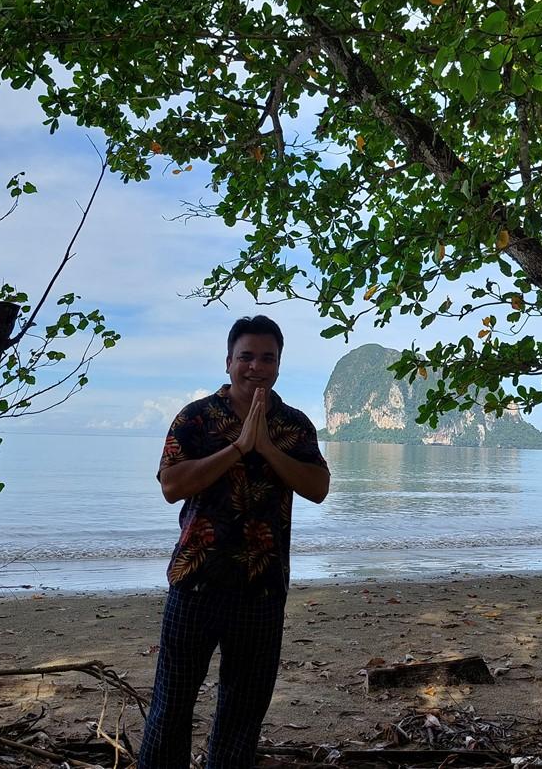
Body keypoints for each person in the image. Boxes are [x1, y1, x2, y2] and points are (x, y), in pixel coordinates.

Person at [138, 315, 330, 769]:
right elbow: (171, 486)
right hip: (196, 581)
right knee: (171, 707)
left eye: (267, 358)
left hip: (262, 588)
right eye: (246, 357)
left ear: (279, 366)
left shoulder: (295, 425)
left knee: (243, 714)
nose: (255, 367)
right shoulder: (196, 417)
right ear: (228, 362)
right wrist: (239, 447)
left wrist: (266, 447)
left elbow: (318, 487)